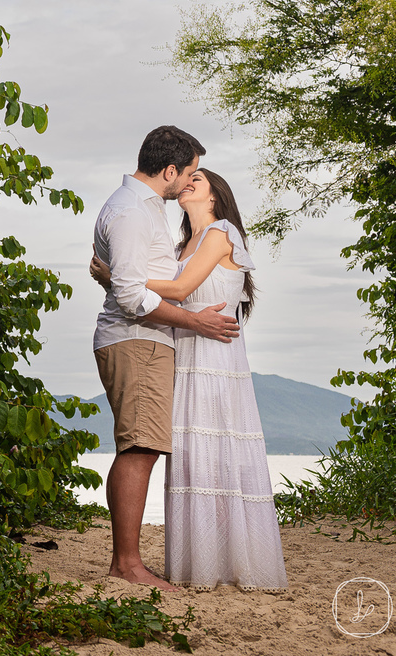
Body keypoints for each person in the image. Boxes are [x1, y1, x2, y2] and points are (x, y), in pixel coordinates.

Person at [91, 168, 288, 591]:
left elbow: (178, 291)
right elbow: (163, 292)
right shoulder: (182, 244)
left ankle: (235, 560)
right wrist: (125, 279)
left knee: (218, 453)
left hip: (214, 357)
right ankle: (203, 562)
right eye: (189, 175)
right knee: (192, 457)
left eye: (199, 178)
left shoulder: (221, 232)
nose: (190, 181)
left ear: (215, 196)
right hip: (186, 355)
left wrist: (116, 278)